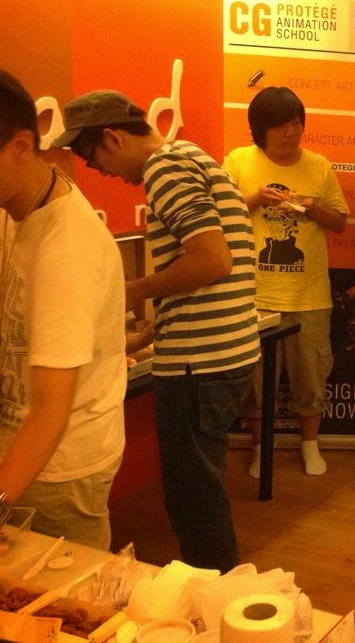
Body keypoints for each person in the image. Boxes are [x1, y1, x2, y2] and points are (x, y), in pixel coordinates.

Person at [52, 90, 259, 572]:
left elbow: (212, 260)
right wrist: (150, 334)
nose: (98, 172)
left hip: (198, 365)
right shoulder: (192, 157)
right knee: (201, 489)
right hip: (225, 352)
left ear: (112, 137)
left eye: (92, 158)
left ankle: (214, 595)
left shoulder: (163, 168)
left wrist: (132, 290)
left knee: (192, 500)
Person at [0, 72, 126, 549]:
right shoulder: (18, 205)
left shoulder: (66, 250)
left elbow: (50, 411)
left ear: (20, 145)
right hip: (22, 454)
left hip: (58, 472)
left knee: (66, 593)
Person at [224, 87, 348, 479]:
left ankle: (310, 446)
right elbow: (220, 213)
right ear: (260, 130)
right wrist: (257, 199)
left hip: (309, 295)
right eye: (279, 126)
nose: (290, 132)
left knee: (311, 377)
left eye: (296, 123)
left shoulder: (319, 165)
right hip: (254, 294)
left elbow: (340, 222)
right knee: (255, 381)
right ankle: (261, 449)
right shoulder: (239, 161)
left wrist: (312, 207)